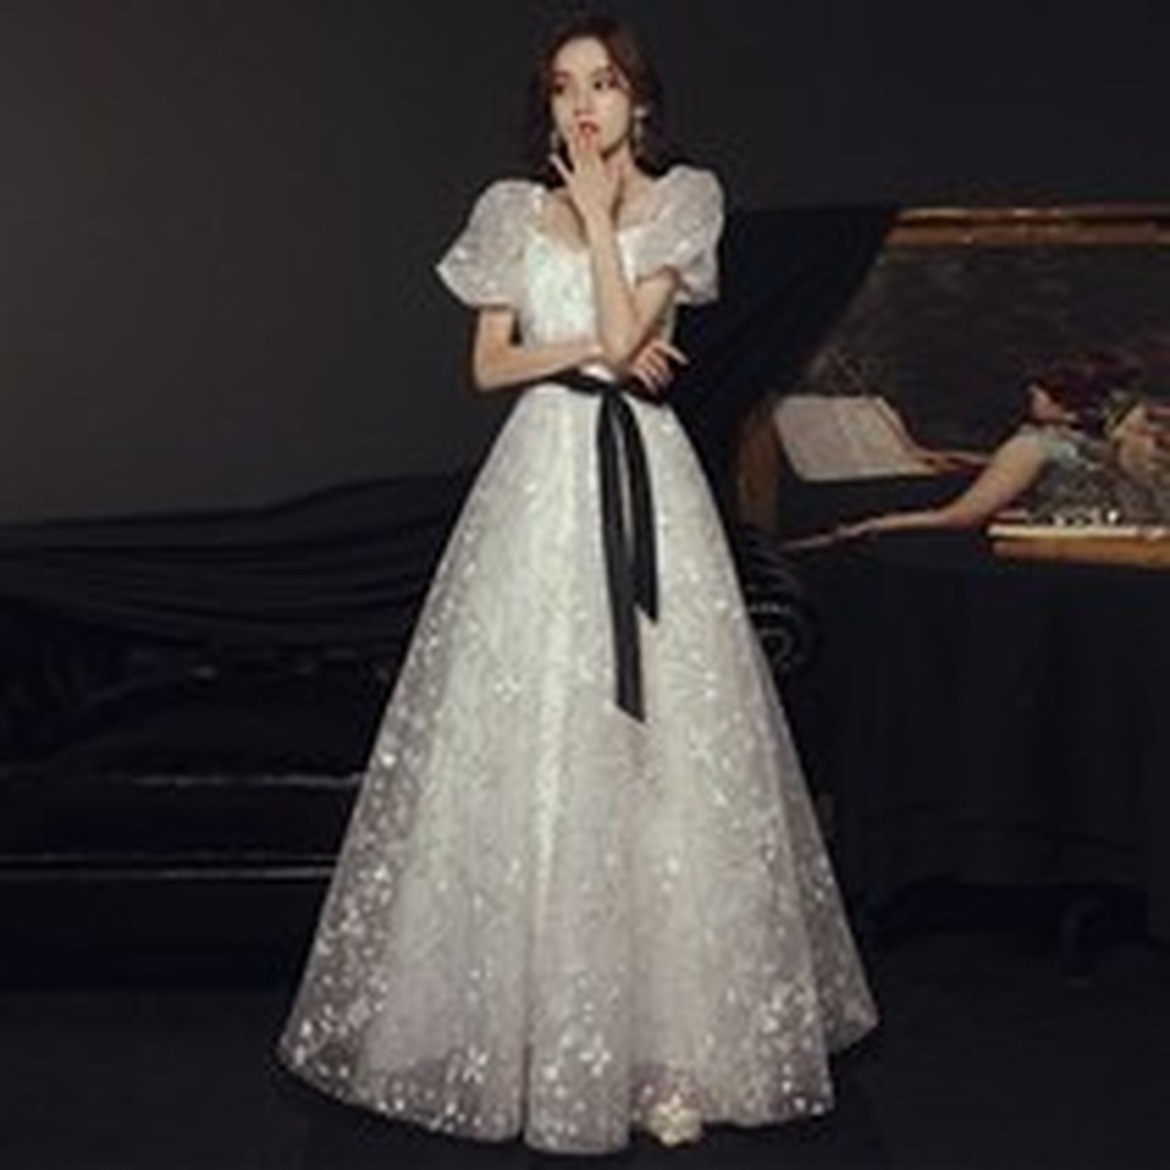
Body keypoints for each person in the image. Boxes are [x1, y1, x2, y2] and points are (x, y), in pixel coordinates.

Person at [278, 13, 876, 1154]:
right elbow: (492, 364)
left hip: (640, 479)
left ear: (638, 99)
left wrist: (602, 225)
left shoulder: (686, 198)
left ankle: (671, 1048)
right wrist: (591, 346)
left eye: (603, 84)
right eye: (564, 87)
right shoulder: (509, 209)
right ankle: (527, 1033)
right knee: (529, 734)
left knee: (655, 745)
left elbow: (625, 332)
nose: (584, 104)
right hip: (539, 474)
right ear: (548, 105)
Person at [832, 350, 1147, 538]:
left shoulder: (1031, 445)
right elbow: (1058, 468)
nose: (1030, 397)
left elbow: (959, 517)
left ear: (1057, 400)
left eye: (1036, 393)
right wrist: (958, 460)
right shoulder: (1101, 440)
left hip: (1048, 559)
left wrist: (875, 525)